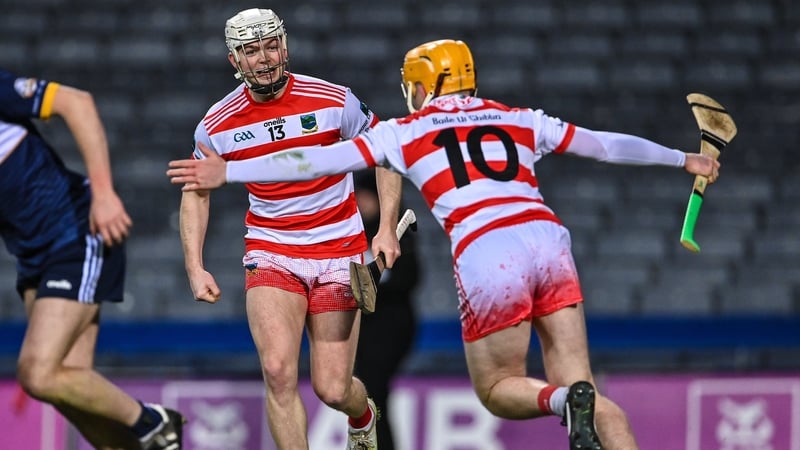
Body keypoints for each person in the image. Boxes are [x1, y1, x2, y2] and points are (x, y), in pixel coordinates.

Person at [167, 39, 723, 450]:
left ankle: (558, 402)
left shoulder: (405, 132)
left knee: (498, 386)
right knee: (585, 385)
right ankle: (588, 409)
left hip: (487, 250)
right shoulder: (519, 117)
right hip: (549, 241)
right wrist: (687, 159)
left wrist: (231, 173)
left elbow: (311, 159)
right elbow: (603, 145)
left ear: (423, 85)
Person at [175, 8, 403, 450]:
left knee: (333, 388)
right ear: (234, 61)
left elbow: (386, 151)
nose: (264, 58)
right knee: (279, 372)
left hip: (339, 250)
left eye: (271, 45)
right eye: (251, 50)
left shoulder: (334, 100)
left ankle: (363, 412)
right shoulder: (217, 125)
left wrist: (386, 229)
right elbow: (195, 192)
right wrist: (194, 265)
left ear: (285, 46)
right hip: (272, 249)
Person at [0, 68, 184, 450]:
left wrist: (104, 195)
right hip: (33, 254)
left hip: (77, 232)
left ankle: (155, 421)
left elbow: (76, 102)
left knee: (38, 373)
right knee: (71, 390)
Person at [352, 170, 420, 450]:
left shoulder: (394, 234)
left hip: (391, 325)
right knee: (370, 392)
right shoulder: (351, 232)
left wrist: (370, 286)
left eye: (367, 196)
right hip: (363, 330)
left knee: (374, 391)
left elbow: (411, 277)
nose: (361, 202)